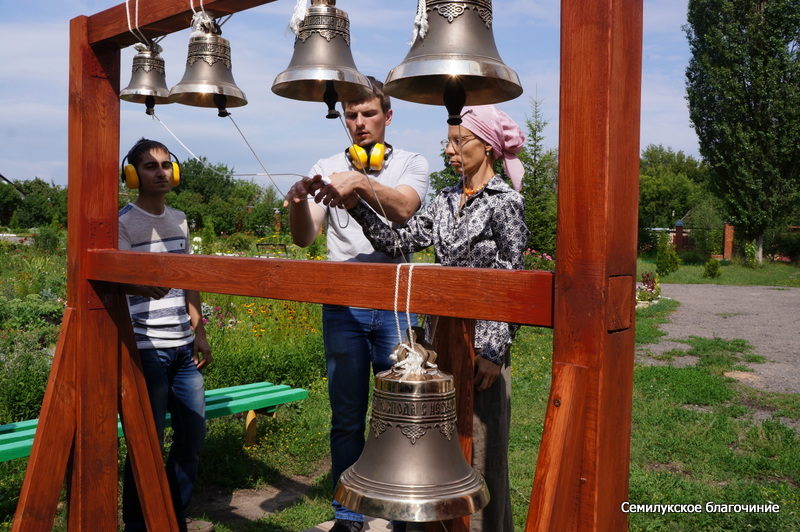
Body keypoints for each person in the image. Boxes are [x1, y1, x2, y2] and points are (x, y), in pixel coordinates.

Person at [319, 105, 528, 531]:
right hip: (439, 341)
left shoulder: (506, 202)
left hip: (481, 342)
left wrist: (492, 349)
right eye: (448, 142)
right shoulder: (446, 199)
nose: (450, 150)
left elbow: (512, 279)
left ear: (486, 146)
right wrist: (356, 203)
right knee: (438, 451)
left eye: (459, 141)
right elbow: (397, 242)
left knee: (480, 450)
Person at [284, 77, 429, 532]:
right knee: (347, 417)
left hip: (396, 305)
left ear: (388, 116)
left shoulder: (412, 162)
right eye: (351, 114)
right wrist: (295, 202)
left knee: (400, 415)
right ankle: (349, 515)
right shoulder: (326, 165)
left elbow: (405, 209)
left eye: (368, 113)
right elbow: (305, 236)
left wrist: (361, 183)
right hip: (343, 306)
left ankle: (400, 512)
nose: (359, 123)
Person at [118, 138, 213, 532]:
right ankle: (139, 525)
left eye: (165, 165)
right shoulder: (123, 222)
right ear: (132, 175)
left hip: (182, 348)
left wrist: (200, 329)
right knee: (146, 442)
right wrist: (141, 286)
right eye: (149, 166)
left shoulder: (180, 219)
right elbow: (113, 280)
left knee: (192, 438)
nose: (160, 172)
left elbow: (188, 278)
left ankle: (171, 516)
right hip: (145, 347)